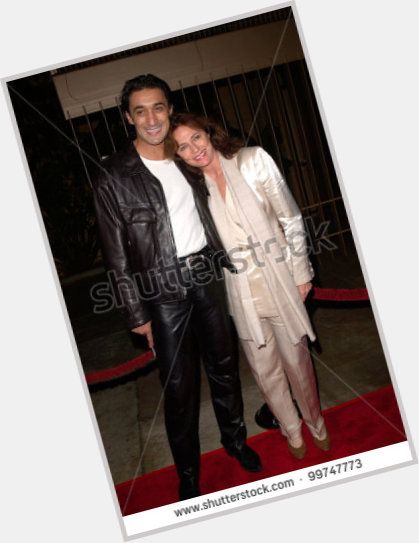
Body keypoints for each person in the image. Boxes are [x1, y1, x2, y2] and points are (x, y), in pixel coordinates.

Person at [92, 75, 261, 501]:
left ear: (169, 109)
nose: (151, 119)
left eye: (158, 107)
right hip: (162, 292)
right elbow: (115, 254)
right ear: (128, 117)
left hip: (207, 275)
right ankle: (188, 473)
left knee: (225, 368)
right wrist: (136, 314)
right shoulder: (114, 175)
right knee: (180, 388)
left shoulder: (188, 157)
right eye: (141, 111)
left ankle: (235, 441)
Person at [169, 112, 330, 459]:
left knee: (297, 363)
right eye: (182, 147)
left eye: (196, 137)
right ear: (178, 156)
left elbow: (290, 218)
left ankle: (315, 422)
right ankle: (291, 429)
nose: (194, 149)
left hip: (279, 280)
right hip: (239, 289)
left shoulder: (252, 160)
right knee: (264, 369)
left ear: (208, 132)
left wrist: (301, 273)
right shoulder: (195, 189)